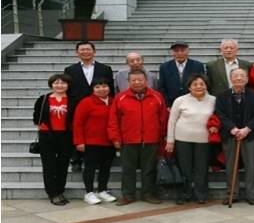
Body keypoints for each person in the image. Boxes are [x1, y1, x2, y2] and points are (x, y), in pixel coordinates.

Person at [108, 69, 169, 206]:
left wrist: (162, 137)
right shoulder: (120, 97)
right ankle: (128, 195)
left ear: (146, 81)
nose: (137, 82)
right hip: (128, 140)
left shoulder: (157, 96)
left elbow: (163, 118)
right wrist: (115, 138)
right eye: (133, 80)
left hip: (151, 139)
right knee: (128, 170)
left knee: (150, 169)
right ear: (128, 82)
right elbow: (113, 120)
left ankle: (149, 194)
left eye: (140, 80)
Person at [165, 74, 216, 204]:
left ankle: (201, 195)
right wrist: (170, 140)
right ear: (189, 87)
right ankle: (184, 194)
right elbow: (172, 121)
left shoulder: (213, 100)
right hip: (183, 139)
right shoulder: (180, 100)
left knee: (202, 168)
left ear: (206, 86)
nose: (199, 86)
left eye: (201, 84)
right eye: (195, 84)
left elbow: (218, 119)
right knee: (184, 168)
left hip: (204, 140)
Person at [64, 41, 114, 172]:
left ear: (94, 51)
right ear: (77, 53)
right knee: (77, 130)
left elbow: (111, 89)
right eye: (82, 50)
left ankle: (97, 160)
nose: (85, 52)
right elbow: (67, 90)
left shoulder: (105, 69)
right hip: (77, 105)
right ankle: (76, 160)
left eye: (88, 49)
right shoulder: (70, 70)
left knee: (97, 131)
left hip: (99, 105)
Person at [215, 68, 254, 205]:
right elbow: (220, 114)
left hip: (250, 135)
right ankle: (232, 194)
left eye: (242, 76)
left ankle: (252, 195)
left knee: (251, 166)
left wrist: (246, 129)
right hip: (230, 135)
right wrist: (233, 129)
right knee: (230, 166)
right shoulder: (222, 96)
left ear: (247, 79)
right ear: (231, 79)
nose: (239, 78)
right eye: (236, 76)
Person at [33, 74, 77, 205]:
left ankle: (60, 191)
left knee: (63, 165)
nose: (60, 85)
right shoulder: (43, 99)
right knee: (49, 165)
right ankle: (52, 193)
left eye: (63, 83)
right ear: (51, 85)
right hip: (47, 136)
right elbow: (36, 116)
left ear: (68, 85)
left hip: (66, 136)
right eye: (56, 83)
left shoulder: (73, 100)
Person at [73, 78, 117, 205]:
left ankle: (102, 190)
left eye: (104, 86)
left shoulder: (114, 101)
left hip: (109, 141)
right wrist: (79, 141)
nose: (101, 89)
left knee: (106, 167)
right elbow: (78, 123)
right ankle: (89, 192)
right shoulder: (86, 102)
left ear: (109, 88)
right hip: (91, 142)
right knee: (90, 168)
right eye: (97, 87)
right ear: (93, 89)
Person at [158, 41, 205, 107]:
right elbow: (162, 87)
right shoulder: (164, 67)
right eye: (176, 51)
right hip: (172, 103)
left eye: (182, 50)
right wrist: (167, 105)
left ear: (188, 51)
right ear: (172, 52)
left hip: (193, 102)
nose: (179, 53)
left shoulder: (197, 66)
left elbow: (202, 85)